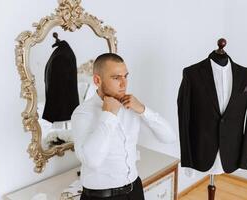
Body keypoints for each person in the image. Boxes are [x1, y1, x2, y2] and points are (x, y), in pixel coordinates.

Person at [71, 53, 176, 200]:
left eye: (125, 76)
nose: (123, 83)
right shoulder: (82, 113)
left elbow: (169, 137)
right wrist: (109, 115)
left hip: (135, 190)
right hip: (101, 197)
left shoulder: (131, 106)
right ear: (97, 80)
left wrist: (143, 110)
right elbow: (92, 160)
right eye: (116, 78)